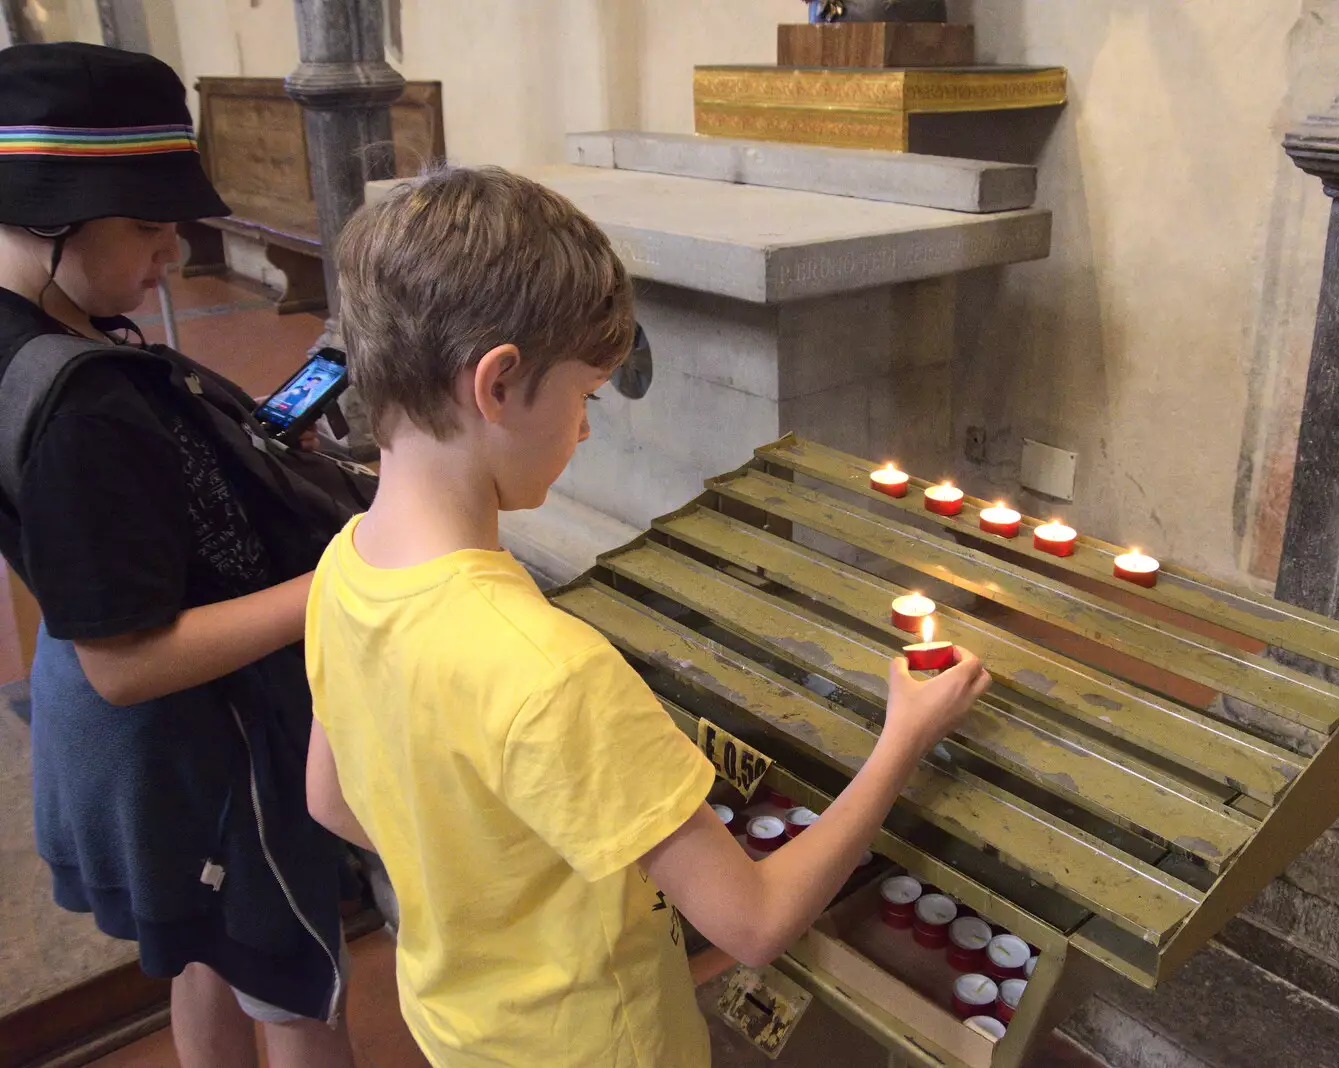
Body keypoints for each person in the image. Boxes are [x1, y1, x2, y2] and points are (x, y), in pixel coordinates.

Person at [304, 164, 993, 1068]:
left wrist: (488, 865)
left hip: (463, 1028)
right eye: (585, 398)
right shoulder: (550, 668)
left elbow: (332, 802)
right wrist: (902, 738)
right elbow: (754, 923)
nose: (585, 432)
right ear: (498, 384)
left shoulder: (341, 568)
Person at [0, 44, 357, 1067]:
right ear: (48, 218)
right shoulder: (81, 403)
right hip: (190, 743)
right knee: (296, 985)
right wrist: (349, 571)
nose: (170, 253)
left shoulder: (42, 328)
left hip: (107, 734)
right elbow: (131, 660)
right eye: (149, 227)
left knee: (208, 949)